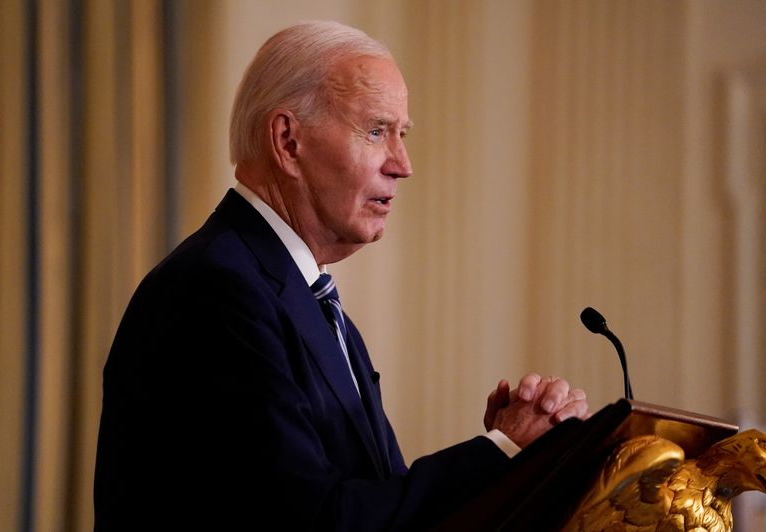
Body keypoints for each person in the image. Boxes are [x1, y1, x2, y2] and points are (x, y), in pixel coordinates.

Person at [93, 20, 589, 531]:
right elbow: (317, 522)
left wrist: (512, 462)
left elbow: (374, 505)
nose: (402, 164)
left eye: (402, 134)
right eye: (376, 131)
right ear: (287, 141)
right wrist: (499, 450)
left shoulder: (304, 300)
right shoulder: (218, 291)